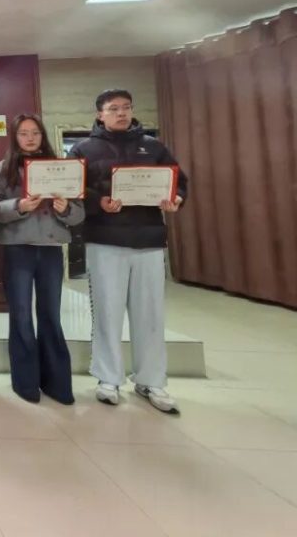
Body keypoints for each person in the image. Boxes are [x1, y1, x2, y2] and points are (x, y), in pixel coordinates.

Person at [70, 89, 187, 413]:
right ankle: (108, 378)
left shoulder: (154, 147)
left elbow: (179, 182)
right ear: (100, 114)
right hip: (104, 240)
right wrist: (99, 202)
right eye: (113, 109)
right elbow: (73, 188)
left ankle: (152, 380)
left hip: (148, 240)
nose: (121, 113)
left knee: (150, 314)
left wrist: (176, 199)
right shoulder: (84, 149)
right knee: (106, 312)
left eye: (126, 107)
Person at [0, 114, 83, 404]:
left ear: (43, 136)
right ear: (15, 137)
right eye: (23, 133)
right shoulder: (3, 169)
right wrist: (19, 205)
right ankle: (25, 382)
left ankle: (58, 383)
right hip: (18, 248)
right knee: (21, 315)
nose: (30, 138)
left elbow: (79, 214)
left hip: (50, 248)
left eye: (35, 133)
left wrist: (66, 209)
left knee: (51, 314)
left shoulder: (61, 168)